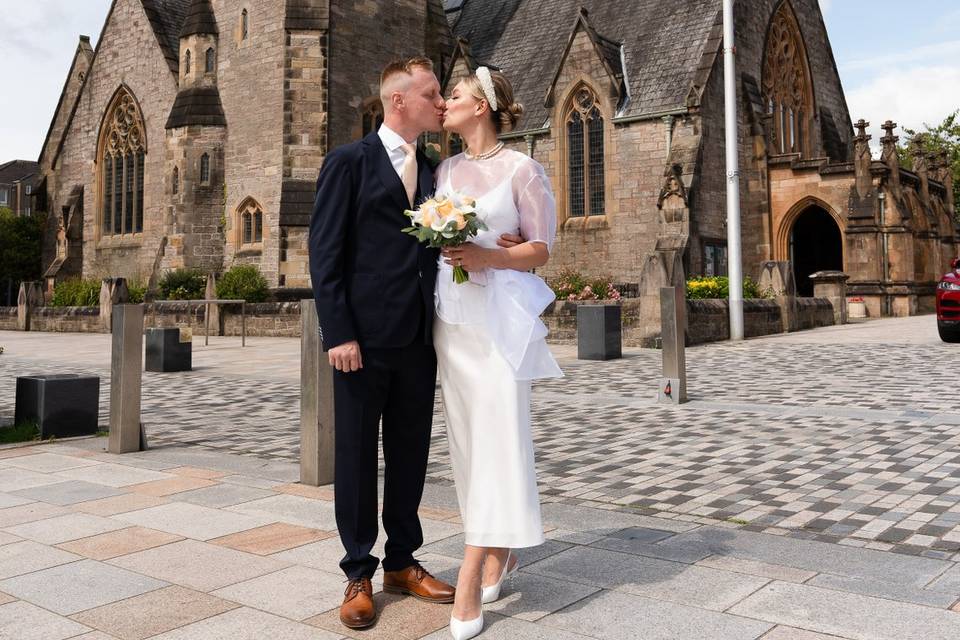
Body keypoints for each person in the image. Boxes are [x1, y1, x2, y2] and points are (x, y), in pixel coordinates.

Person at [308, 57, 524, 631]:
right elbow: (325, 255)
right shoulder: (347, 162)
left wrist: (507, 243)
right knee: (356, 455)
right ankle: (358, 571)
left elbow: (464, 230)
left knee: (410, 454)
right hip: (361, 340)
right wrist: (339, 332)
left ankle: (402, 562)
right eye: (432, 93)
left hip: (422, 336)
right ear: (398, 101)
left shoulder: (438, 169)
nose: (439, 102)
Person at [434, 67, 562, 640]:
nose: (444, 103)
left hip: (498, 327)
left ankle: (469, 571)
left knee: (500, 438)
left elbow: (542, 249)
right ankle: (498, 549)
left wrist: (491, 258)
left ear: (482, 106)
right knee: (466, 445)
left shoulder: (522, 169)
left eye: (454, 96)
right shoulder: (444, 169)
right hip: (452, 323)